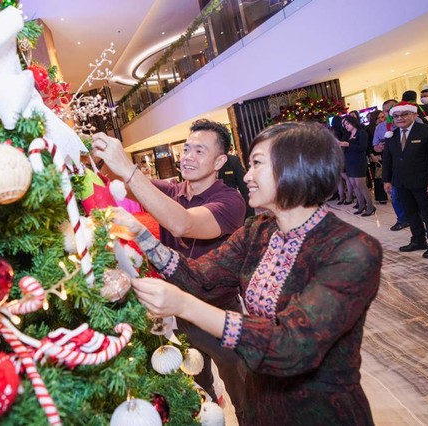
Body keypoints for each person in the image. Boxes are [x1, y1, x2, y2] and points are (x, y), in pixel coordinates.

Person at [110, 122, 382, 425]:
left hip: (320, 410)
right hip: (261, 401)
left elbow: (293, 346)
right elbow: (202, 278)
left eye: (257, 164)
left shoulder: (352, 249)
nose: (247, 176)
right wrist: (142, 237)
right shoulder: (258, 231)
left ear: (295, 167)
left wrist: (184, 305)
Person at [91, 119, 247, 419]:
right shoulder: (171, 190)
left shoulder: (231, 201)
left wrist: (130, 171)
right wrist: (94, 147)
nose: (187, 156)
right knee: (198, 390)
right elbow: (117, 177)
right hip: (181, 311)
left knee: (242, 389)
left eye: (199, 151)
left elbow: (182, 223)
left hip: (220, 312)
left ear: (220, 161)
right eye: (186, 149)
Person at [382, 101, 428, 259]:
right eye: (396, 116)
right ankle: (418, 240)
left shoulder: (426, 131)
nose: (400, 118)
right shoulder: (393, 135)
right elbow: (388, 160)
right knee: (410, 213)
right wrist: (386, 180)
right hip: (401, 182)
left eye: (404, 114)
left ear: (414, 114)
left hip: (423, 182)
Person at [373, 99, 409, 230]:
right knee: (395, 195)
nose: (389, 112)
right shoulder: (380, 128)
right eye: (386, 111)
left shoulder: (413, 122)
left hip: (413, 165)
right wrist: (381, 147)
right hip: (392, 166)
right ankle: (402, 219)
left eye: (392, 109)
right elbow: (375, 147)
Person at [340, 115, 375, 216]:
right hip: (349, 161)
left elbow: (362, 147)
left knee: (361, 185)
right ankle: (361, 205)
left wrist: (348, 145)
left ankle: (370, 206)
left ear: (353, 122)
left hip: (359, 161)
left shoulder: (361, 133)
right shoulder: (348, 135)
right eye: (344, 125)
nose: (346, 126)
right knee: (354, 185)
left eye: (347, 123)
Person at [219, 153, 255, 217]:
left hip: (231, 209)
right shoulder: (202, 163)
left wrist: (250, 217)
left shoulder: (232, 161)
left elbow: (245, 189)